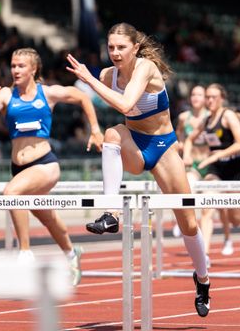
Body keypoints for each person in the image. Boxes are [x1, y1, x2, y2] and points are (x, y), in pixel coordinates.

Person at [66, 22, 211, 317]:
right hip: (135, 146)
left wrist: (90, 79)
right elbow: (80, 97)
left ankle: (203, 279)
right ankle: (111, 214)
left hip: (165, 147)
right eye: (111, 48)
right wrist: (92, 126)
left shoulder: (144, 67)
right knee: (111, 134)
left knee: (189, 224)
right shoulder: (108, 74)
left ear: (135, 47)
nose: (116, 53)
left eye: (121, 47)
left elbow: (126, 102)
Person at [0, 47, 104, 286]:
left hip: (44, 164)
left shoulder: (48, 93)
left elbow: (83, 97)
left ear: (33, 69)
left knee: (12, 193)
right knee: (45, 216)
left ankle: (25, 252)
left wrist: (96, 130)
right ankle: (71, 253)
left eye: (21, 66)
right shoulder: (5, 94)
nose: (15, 70)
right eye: (13, 65)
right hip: (19, 168)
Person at [183, 83, 240, 265]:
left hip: (235, 168)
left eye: (213, 97)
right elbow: (189, 139)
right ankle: (204, 255)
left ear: (222, 98)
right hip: (216, 170)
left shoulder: (228, 116)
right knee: (207, 208)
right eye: (207, 97)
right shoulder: (206, 121)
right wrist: (186, 156)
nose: (209, 100)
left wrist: (216, 155)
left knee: (235, 220)